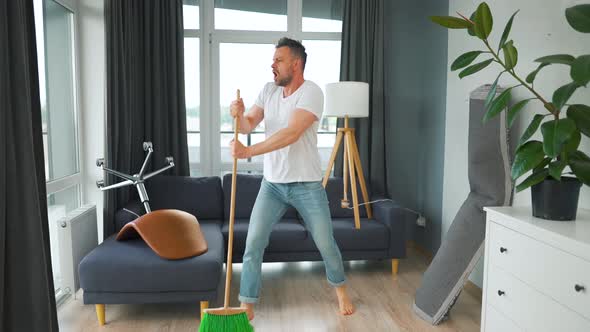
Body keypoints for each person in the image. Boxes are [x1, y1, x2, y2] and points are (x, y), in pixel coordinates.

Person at [229, 37, 355, 321]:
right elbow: (249, 123)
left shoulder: (311, 92)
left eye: (278, 60)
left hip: (307, 186)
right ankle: (247, 302)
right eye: (273, 60)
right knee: (253, 243)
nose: (272, 65)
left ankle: (340, 288)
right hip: (272, 185)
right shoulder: (268, 91)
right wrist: (237, 116)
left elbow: (291, 134)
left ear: (296, 64)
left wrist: (248, 151)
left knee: (325, 242)